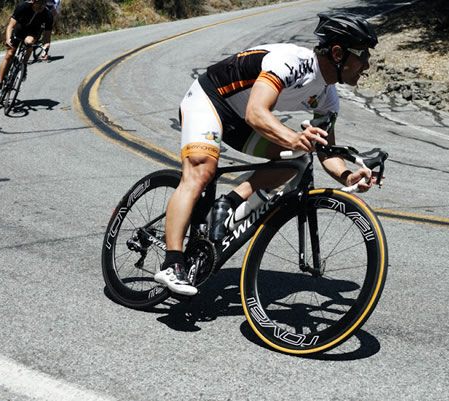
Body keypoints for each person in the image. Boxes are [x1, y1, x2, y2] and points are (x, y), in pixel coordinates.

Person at [154, 12, 379, 295]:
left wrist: (347, 176)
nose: (367, 65)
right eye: (363, 56)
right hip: (210, 100)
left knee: (296, 161)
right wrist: (295, 137)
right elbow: (256, 112)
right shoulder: (291, 63)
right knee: (201, 171)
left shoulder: (327, 97)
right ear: (337, 52)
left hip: (242, 121)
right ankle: (171, 264)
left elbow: (325, 150)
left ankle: (228, 205)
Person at [0, 0, 53, 98]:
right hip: (19, 30)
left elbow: (47, 37)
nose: (41, 5)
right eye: (39, 2)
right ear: (33, 1)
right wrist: (8, 39)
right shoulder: (22, 7)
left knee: (29, 43)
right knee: (10, 54)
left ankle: (24, 65)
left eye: (43, 3)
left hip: (33, 33)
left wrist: (45, 50)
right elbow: (10, 26)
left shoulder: (48, 15)